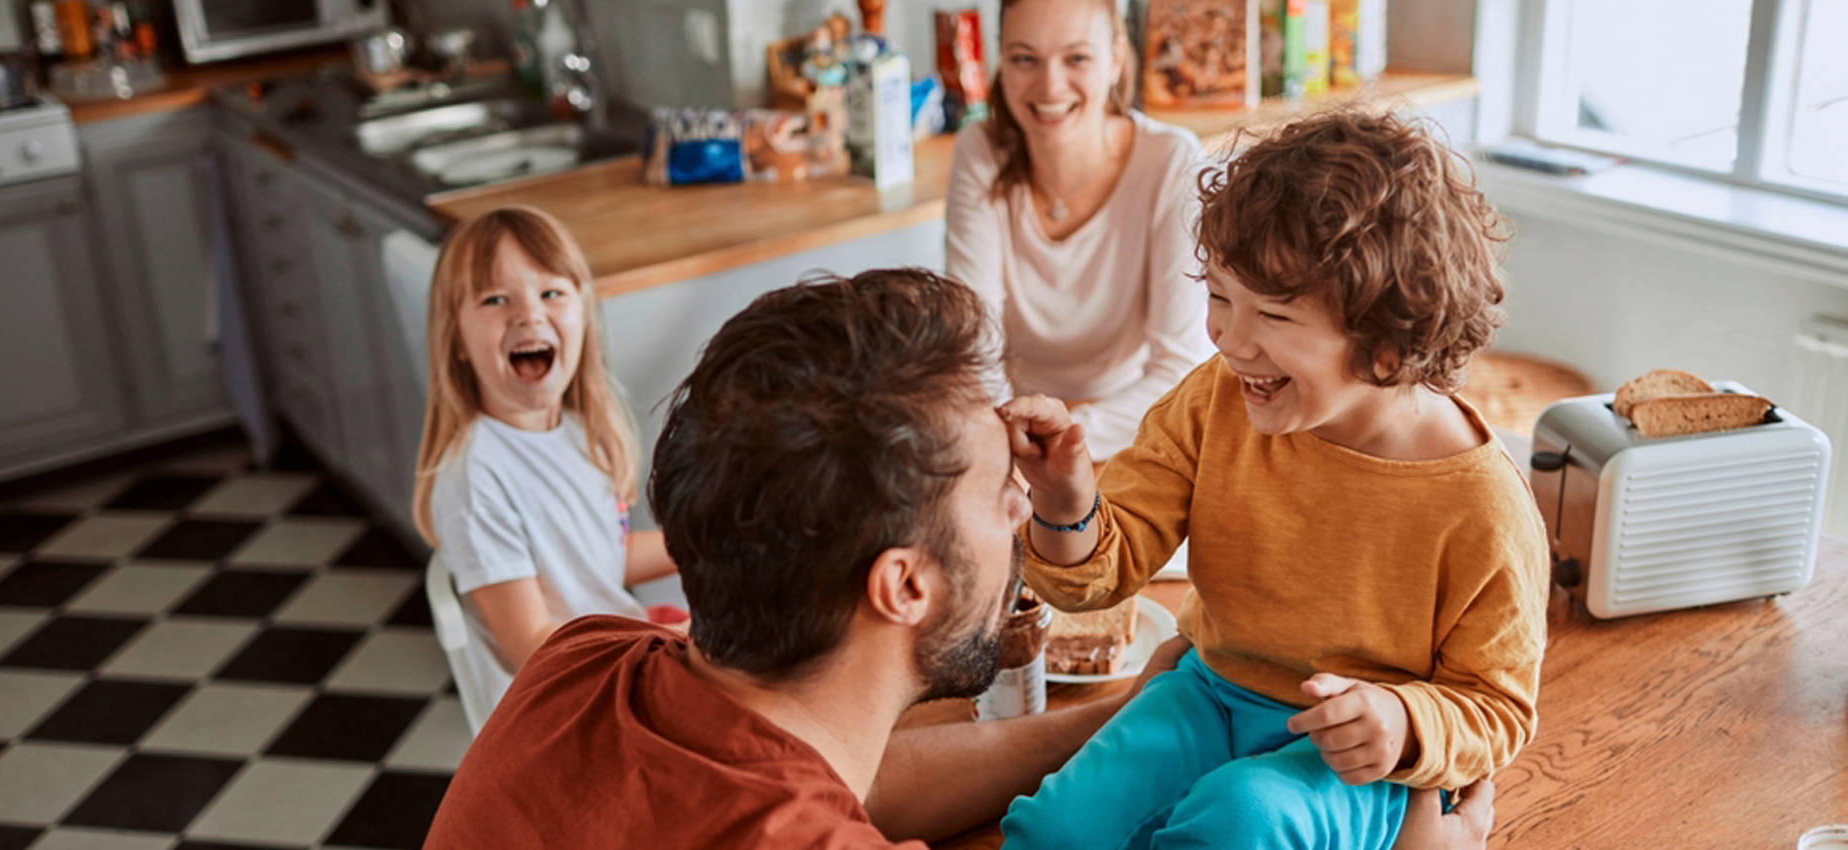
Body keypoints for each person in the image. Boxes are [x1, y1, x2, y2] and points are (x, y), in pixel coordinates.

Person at [423, 268, 1495, 849]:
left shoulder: (581, 662)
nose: (1024, 506)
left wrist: (1129, 717)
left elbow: (853, 778)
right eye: (998, 493)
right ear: (904, 585)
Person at [999, 111, 1548, 849]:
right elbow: (1097, 574)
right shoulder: (1213, 399)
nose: (1228, 338)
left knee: (1238, 818)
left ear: (1389, 342)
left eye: (1276, 315)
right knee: (1056, 828)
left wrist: (1401, 722)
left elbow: (1498, 708)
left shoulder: (1482, 505)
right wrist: (1066, 505)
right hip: (1208, 694)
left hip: (1352, 760)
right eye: (1221, 297)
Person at [411, 205, 680, 723]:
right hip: (567, 710)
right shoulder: (476, 477)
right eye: (495, 299)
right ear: (457, 341)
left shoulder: (577, 433)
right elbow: (536, 652)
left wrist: (707, 544)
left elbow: (601, 558)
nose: (528, 314)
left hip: (614, 664)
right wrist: (677, 644)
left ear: (582, 311)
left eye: (551, 292)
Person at [946, 0, 1215, 461]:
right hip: (1008, 433)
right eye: (1024, 58)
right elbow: (973, 350)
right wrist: (1012, 436)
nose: (1050, 85)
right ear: (1002, 63)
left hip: (1131, 434)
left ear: (1114, 58)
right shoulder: (980, 150)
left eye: (1077, 58)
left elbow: (1181, 370)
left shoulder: (1170, 160)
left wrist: (1058, 430)